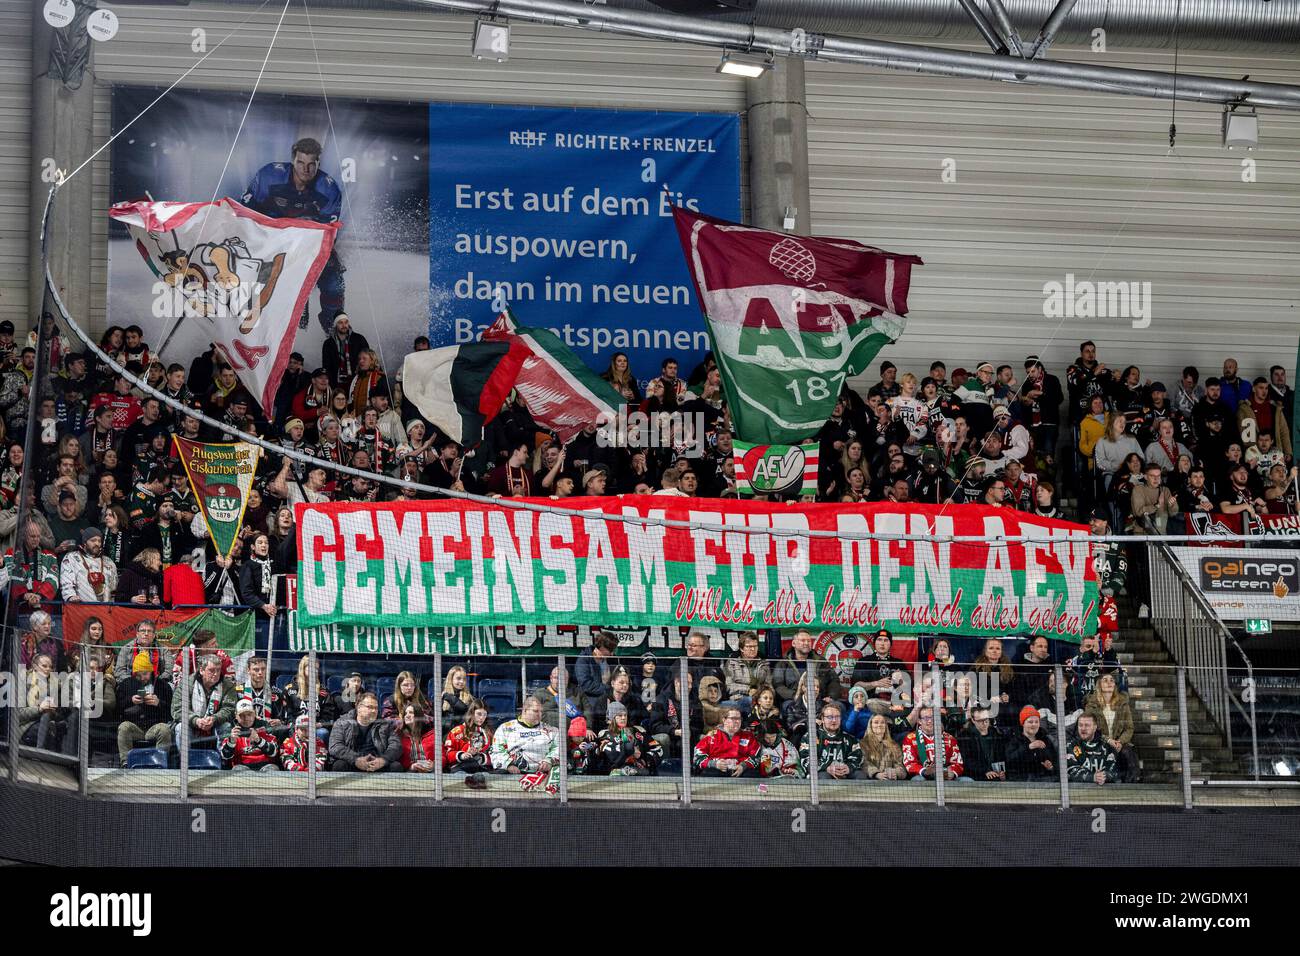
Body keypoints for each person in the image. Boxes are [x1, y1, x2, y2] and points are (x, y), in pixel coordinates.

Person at [243, 137, 345, 332]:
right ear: (292, 160)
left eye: (311, 164)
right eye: (300, 162)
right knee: (257, 282)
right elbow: (245, 210)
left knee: (334, 283)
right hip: (270, 243)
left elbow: (329, 234)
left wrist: (304, 255)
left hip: (309, 246)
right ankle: (261, 328)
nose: (305, 169)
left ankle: (333, 330)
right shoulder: (270, 175)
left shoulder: (328, 188)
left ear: (318, 164)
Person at [490, 696, 560, 794]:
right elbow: (497, 750)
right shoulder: (505, 728)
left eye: (541, 712)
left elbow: (558, 748)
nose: (539, 715)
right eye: (536, 711)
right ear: (525, 710)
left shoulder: (552, 731)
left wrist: (549, 760)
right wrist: (508, 765)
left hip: (542, 773)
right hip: (513, 774)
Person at [114, 651, 174, 766]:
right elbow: (116, 710)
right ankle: (126, 762)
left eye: (145, 674)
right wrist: (130, 701)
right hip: (135, 726)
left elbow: (171, 713)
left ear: (151, 671)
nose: (142, 678)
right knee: (123, 727)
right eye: (138, 675)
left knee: (164, 729)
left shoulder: (162, 686)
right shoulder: (126, 684)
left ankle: (160, 761)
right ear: (133, 674)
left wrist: (158, 703)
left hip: (154, 726)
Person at [1084, 673, 1139, 783]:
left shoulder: (1123, 704)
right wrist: (1108, 740)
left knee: (1128, 752)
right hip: (1099, 742)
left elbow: (1129, 728)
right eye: (1105, 680)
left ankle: (1132, 783)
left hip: (1118, 742)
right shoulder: (1091, 705)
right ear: (1099, 684)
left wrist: (1120, 742)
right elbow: (1089, 729)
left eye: (1112, 680)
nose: (1109, 683)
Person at [172, 654, 237, 747]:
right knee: (181, 727)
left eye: (218, 670)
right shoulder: (186, 683)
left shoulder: (228, 685)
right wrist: (196, 720)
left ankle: (223, 759)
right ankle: (184, 760)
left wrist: (214, 718)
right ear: (201, 670)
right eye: (211, 670)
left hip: (216, 724)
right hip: (192, 724)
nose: (216, 674)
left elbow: (229, 709)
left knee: (226, 726)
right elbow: (178, 709)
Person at [328, 692, 400, 772]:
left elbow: (396, 746)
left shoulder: (385, 724)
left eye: (376, 708)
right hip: (352, 762)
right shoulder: (342, 722)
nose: (374, 711)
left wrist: (383, 760)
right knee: (339, 765)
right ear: (358, 707)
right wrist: (356, 759)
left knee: (396, 766)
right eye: (370, 707)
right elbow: (335, 746)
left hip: (377, 763)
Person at [798, 702, 864, 780]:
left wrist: (848, 767)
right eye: (829, 717)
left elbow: (857, 756)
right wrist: (826, 768)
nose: (834, 720)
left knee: (860, 775)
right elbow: (806, 760)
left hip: (844, 772)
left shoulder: (849, 738)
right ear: (822, 719)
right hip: (822, 772)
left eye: (837, 717)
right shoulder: (810, 737)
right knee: (824, 777)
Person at [596, 700, 663, 776]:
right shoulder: (604, 735)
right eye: (620, 715)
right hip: (612, 777)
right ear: (612, 718)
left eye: (625, 715)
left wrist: (644, 758)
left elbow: (657, 748)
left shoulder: (637, 732)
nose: (624, 718)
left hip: (639, 775)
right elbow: (603, 760)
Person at [692, 707, 761, 777]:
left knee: (753, 774)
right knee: (708, 773)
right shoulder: (712, 736)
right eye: (733, 718)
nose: (737, 721)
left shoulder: (748, 736)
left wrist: (743, 766)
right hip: (716, 771)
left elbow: (756, 756)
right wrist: (714, 764)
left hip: (742, 771)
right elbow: (698, 757)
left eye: (739, 718)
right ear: (724, 720)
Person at [901, 707, 965, 781]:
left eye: (933, 717)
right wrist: (925, 772)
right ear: (919, 721)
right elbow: (910, 763)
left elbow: (958, 763)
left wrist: (952, 773)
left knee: (967, 781)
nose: (930, 721)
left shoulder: (950, 738)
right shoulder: (910, 738)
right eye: (926, 718)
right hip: (922, 776)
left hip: (946, 777)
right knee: (918, 780)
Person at [574, 630, 619, 728]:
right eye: (610, 650)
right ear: (602, 647)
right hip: (590, 703)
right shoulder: (584, 659)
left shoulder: (609, 660)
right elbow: (586, 685)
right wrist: (608, 689)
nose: (612, 654)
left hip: (608, 700)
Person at [219, 699, 280, 771]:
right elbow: (225, 757)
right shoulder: (230, 730)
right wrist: (231, 741)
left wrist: (259, 740)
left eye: (249, 714)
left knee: (272, 769)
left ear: (254, 714)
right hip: (242, 766)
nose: (246, 718)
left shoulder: (266, 726)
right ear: (236, 716)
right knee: (238, 769)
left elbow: (274, 753)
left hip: (266, 766)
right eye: (242, 715)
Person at [444, 698, 494, 784]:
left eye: (485, 715)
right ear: (471, 713)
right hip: (460, 768)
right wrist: (462, 755)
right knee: (461, 779)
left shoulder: (489, 733)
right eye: (479, 714)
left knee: (488, 778)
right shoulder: (457, 731)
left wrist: (481, 758)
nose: (482, 718)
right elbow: (448, 754)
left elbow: (495, 754)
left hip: (480, 768)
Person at [956, 705, 1008, 781]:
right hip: (975, 775)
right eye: (980, 720)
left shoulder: (995, 734)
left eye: (986, 719)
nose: (984, 723)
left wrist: (1002, 771)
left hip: (995, 774)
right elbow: (966, 760)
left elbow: (1001, 755)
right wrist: (985, 771)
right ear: (973, 720)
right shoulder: (965, 736)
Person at [1067, 712, 1120, 785]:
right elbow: (1071, 771)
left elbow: (1114, 771)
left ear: (1095, 727)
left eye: (1087, 725)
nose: (1083, 728)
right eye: (1080, 725)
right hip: (1078, 790)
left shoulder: (1107, 746)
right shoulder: (1071, 745)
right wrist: (1092, 777)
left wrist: (1103, 777)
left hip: (1105, 790)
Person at [721, 633, 771, 709]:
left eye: (755, 646)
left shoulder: (764, 664)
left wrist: (758, 692)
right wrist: (748, 690)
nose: (753, 649)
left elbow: (768, 685)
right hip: (737, 698)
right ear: (741, 648)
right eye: (749, 646)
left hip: (760, 699)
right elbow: (728, 685)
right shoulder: (731, 663)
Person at [1006, 706, 1057, 781]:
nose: (1034, 724)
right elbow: (1010, 760)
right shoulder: (1014, 739)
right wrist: (1029, 747)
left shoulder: (1045, 738)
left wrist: (1049, 766)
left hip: (1043, 778)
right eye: (1030, 722)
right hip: (1021, 779)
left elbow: (1054, 758)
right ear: (1023, 723)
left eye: (1037, 722)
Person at [113, 619, 170, 684]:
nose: (146, 634)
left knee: (169, 686)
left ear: (154, 635)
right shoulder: (126, 648)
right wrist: (132, 682)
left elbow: (168, 671)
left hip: (157, 683)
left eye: (149, 631)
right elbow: (119, 671)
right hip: (130, 683)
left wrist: (155, 682)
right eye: (143, 631)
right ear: (137, 634)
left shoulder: (164, 650)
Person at [860, 713, 906, 780]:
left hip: (890, 781)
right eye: (876, 722)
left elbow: (900, 766)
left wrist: (895, 772)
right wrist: (876, 774)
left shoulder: (894, 745)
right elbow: (864, 763)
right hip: (871, 781)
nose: (879, 725)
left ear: (885, 726)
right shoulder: (863, 744)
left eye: (882, 722)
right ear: (870, 726)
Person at [396, 703, 440, 773]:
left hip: (432, 771)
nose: (407, 716)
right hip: (410, 772)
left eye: (411, 713)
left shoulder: (432, 734)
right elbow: (399, 760)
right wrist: (412, 766)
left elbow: (442, 756)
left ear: (418, 716)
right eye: (405, 713)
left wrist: (434, 764)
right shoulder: (400, 735)